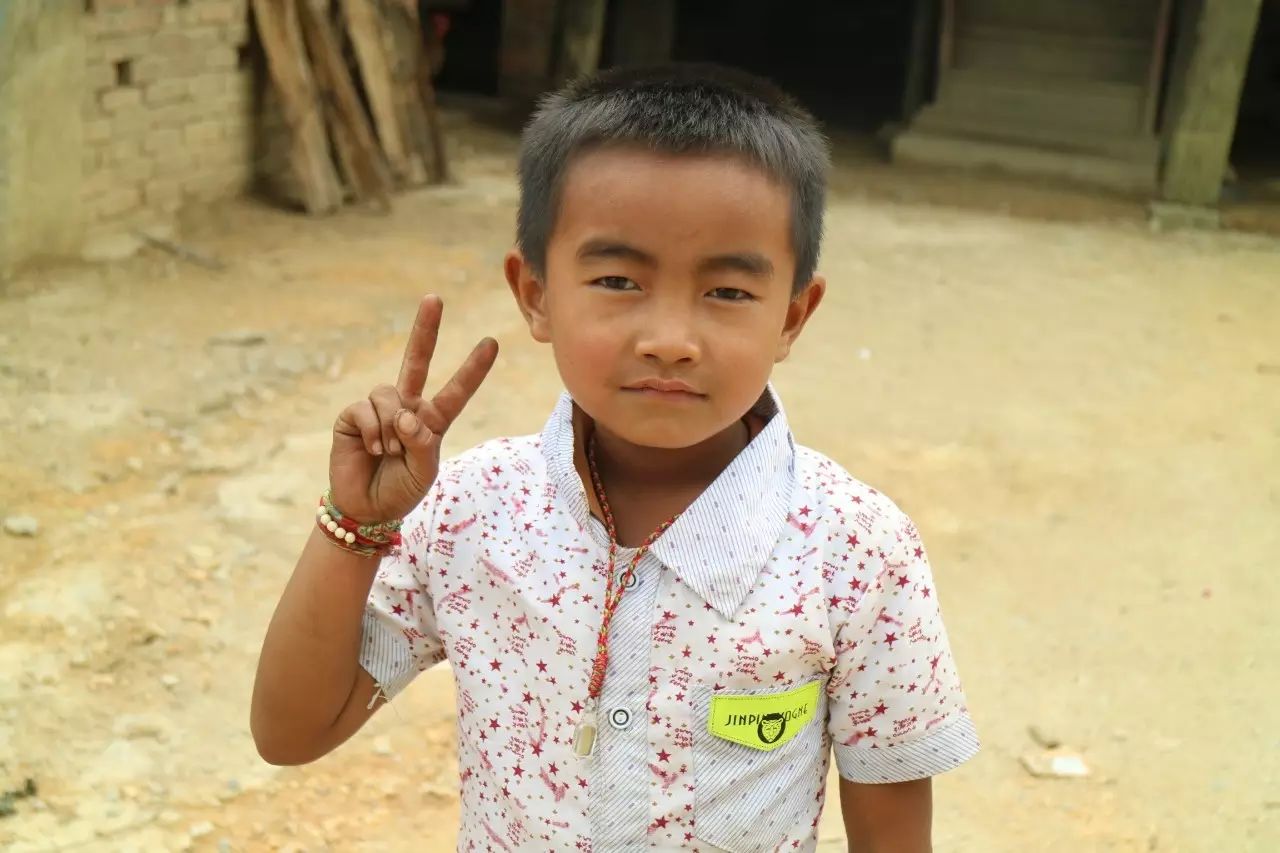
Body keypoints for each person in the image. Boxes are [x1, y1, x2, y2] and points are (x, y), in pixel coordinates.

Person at [251, 63, 978, 852]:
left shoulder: (856, 550)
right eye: (618, 279)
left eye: (728, 292)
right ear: (536, 294)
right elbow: (292, 730)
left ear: (793, 316)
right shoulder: (470, 510)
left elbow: (892, 830)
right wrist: (354, 525)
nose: (669, 338)